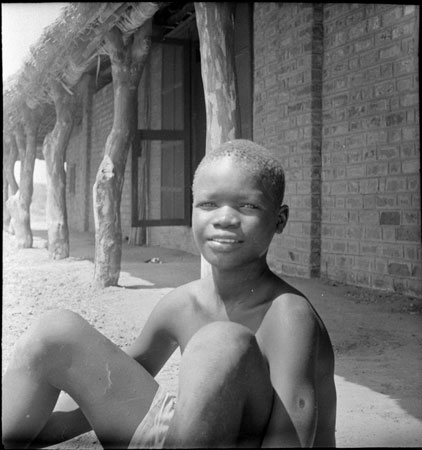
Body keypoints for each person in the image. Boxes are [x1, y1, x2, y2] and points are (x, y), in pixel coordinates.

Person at [2, 139, 336, 449]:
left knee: (221, 342)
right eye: (208, 204)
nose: (225, 219)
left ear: (279, 220)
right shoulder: (182, 304)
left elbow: (293, 433)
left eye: (247, 206)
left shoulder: (289, 314)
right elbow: (106, 389)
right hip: (182, 437)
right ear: (192, 210)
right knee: (56, 332)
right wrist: (32, 433)